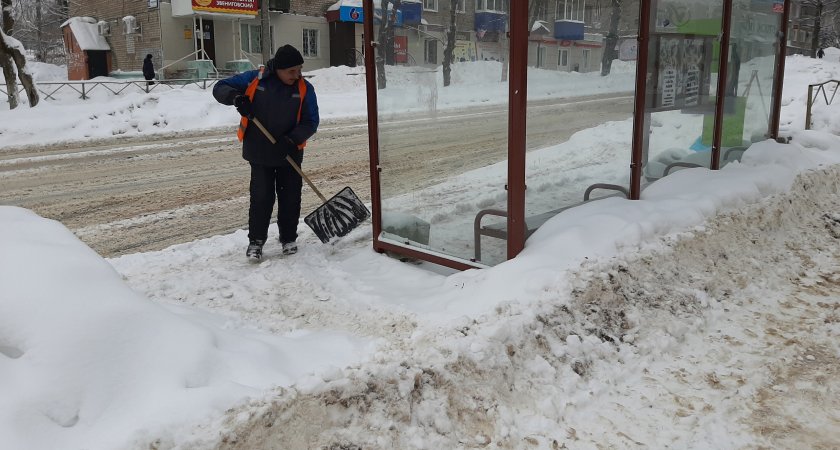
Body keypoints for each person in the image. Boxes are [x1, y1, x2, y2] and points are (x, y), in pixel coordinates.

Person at [212, 44, 319, 261]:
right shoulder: (256, 79)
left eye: (299, 69)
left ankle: (288, 238)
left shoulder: (305, 88)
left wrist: (291, 139)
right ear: (278, 69)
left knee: (290, 197)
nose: (297, 75)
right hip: (259, 151)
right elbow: (219, 87)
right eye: (292, 71)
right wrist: (235, 97)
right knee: (261, 197)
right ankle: (256, 242)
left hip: (289, 152)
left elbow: (311, 121)